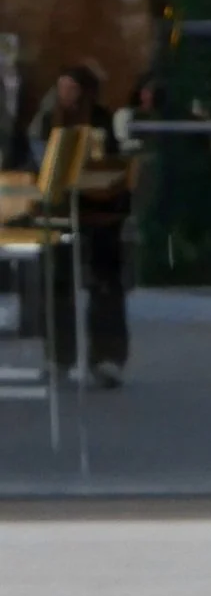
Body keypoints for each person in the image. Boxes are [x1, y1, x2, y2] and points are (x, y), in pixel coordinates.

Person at [40, 65, 129, 387]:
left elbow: (112, 163)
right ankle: (59, 356)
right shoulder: (49, 119)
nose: (66, 95)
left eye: (72, 88)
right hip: (60, 212)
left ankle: (106, 358)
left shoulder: (100, 119)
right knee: (58, 284)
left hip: (98, 212)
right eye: (62, 88)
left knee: (104, 283)